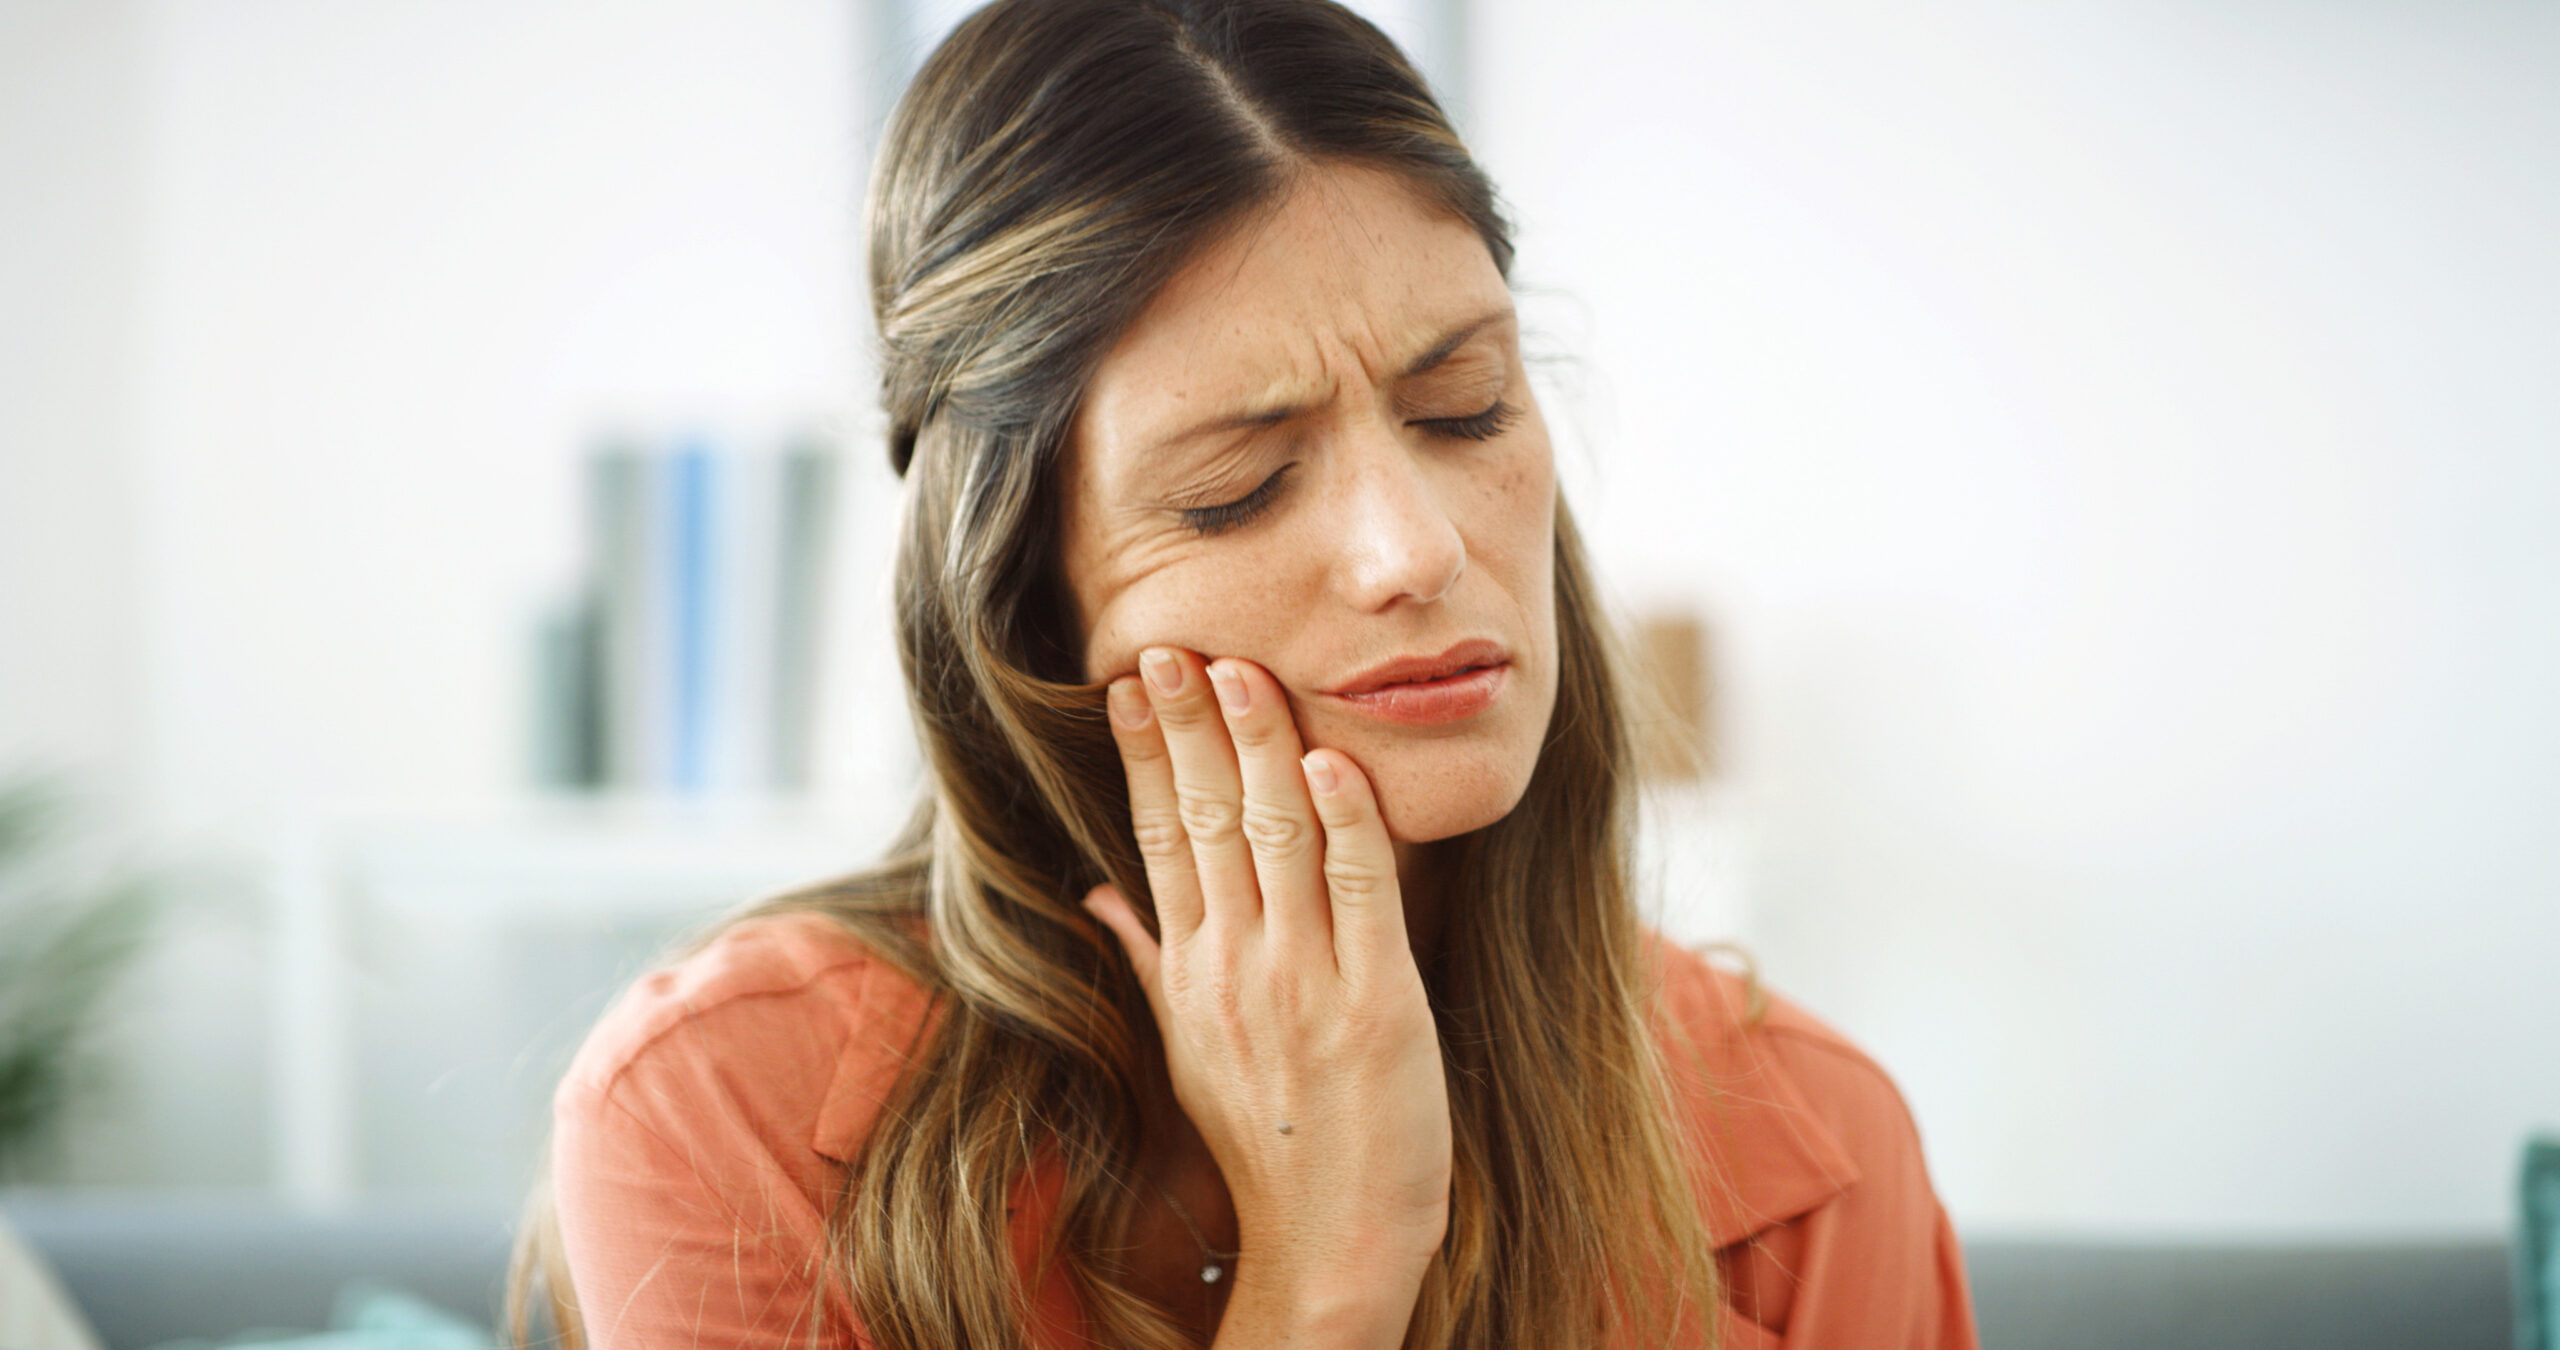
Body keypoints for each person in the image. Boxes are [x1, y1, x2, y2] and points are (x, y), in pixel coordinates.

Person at [508, 1, 1980, 1346]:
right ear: (1026, 593)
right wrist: (1328, 1270)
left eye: (1465, 408)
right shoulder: (721, 1109)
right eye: (1239, 487)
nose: (1414, 549)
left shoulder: (1820, 1149)